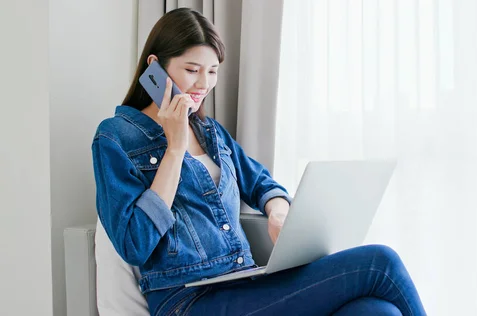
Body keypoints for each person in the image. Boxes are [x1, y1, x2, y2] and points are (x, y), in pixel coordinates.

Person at [92, 7, 426, 316]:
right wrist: (175, 149)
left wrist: (278, 210)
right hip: (187, 301)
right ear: (155, 67)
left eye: (212, 71)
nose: (204, 84)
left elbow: (261, 183)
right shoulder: (115, 137)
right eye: (192, 70)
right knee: (380, 262)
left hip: (244, 285)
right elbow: (134, 244)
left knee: (377, 312)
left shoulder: (211, 133)